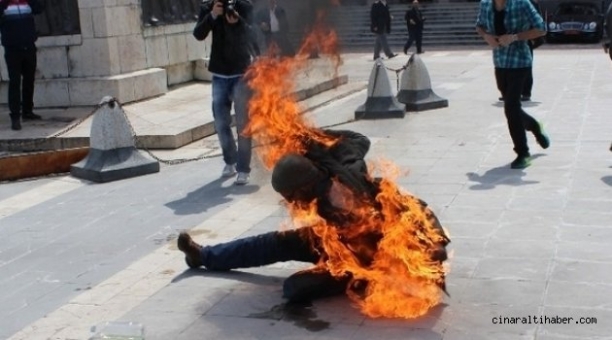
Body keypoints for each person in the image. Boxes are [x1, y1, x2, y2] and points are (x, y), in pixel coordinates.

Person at [178, 128, 450, 303]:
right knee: (275, 242)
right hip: (341, 240)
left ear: (304, 188)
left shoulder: (343, 201)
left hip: (372, 255)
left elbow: (371, 241)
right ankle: (203, 255)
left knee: (294, 289)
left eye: (291, 196)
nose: (290, 203)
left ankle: (367, 283)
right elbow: (359, 140)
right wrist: (308, 136)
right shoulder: (333, 168)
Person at [476, 0, 551, 169]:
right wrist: (486, 36)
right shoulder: (486, 4)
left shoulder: (521, 4)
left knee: (510, 108)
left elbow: (541, 28)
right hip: (500, 62)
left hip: (520, 61)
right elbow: (479, 26)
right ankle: (534, 126)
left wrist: (515, 37)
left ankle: (523, 153)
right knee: (513, 108)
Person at [193, 0, 259, 185]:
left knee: (243, 123)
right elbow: (198, 34)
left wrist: (238, 21)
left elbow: (255, 35)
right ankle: (230, 161)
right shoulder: (209, 7)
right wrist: (213, 15)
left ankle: (243, 169)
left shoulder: (244, 6)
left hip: (241, 73)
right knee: (221, 122)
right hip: (219, 75)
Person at [0, 0, 44, 131]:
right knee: (14, 81)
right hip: (12, 47)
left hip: (29, 45)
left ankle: (27, 111)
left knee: (29, 79)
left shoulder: (27, 2)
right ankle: (15, 117)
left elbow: (39, 9)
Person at [498, 0, 543, 102]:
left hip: (524, 38)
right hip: (506, 37)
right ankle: (506, 92)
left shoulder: (530, 3)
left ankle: (526, 92)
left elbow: (537, 21)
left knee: (526, 66)